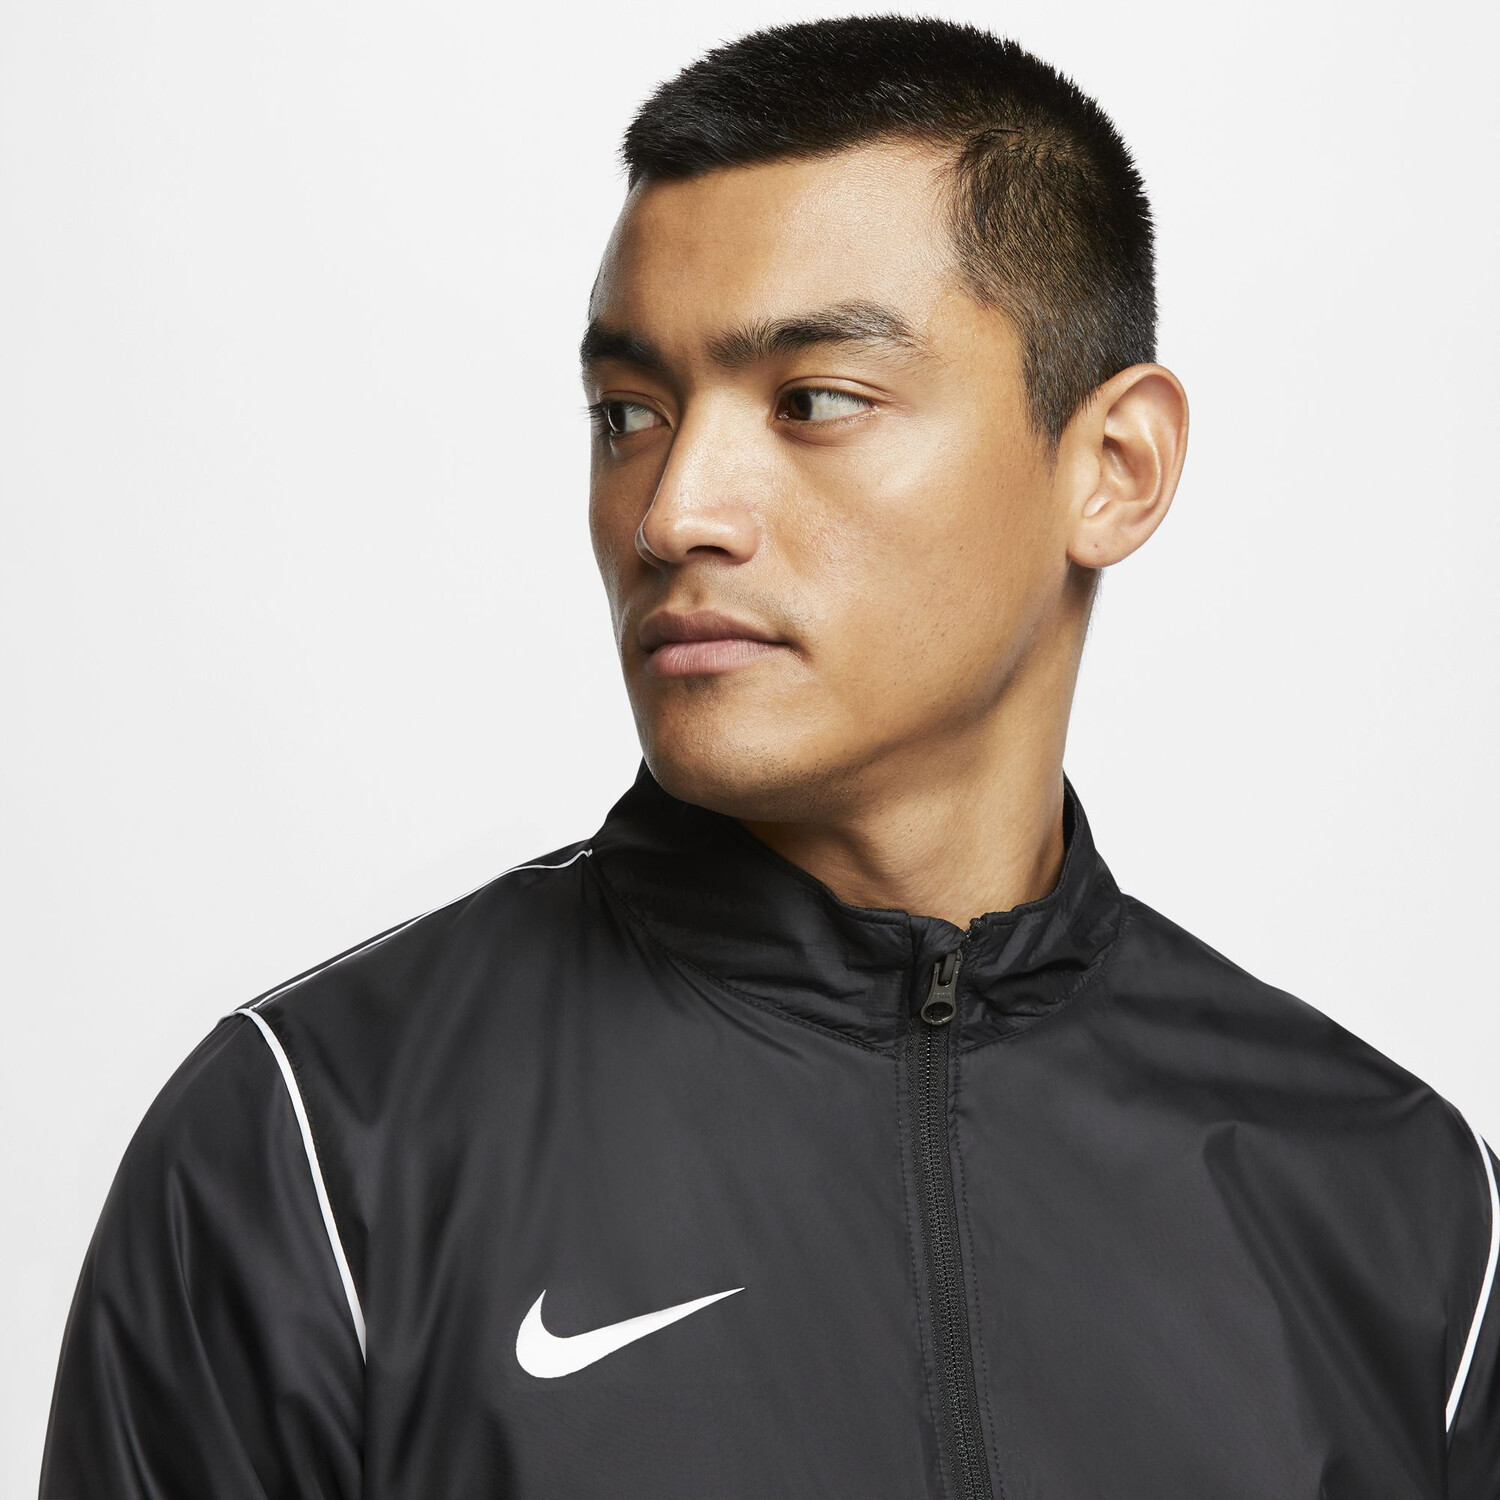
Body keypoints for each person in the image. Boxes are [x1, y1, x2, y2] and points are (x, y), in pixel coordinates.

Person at [39, 15, 1497, 1498]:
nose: (673, 510)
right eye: (629, 414)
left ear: (1113, 468)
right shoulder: (311, 1150)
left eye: (814, 402)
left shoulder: (1400, 1204)